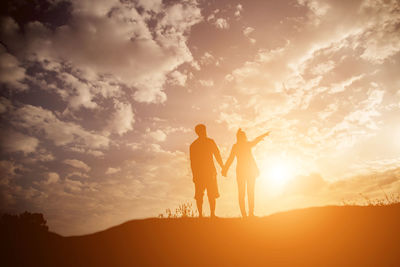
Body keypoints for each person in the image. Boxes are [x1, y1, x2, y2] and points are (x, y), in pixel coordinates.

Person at [222, 128, 270, 218]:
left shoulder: (237, 146)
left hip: (244, 171)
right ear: (242, 137)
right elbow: (255, 141)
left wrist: (225, 169)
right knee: (248, 192)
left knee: (243, 193)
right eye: (244, 136)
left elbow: (231, 158)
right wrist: (263, 135)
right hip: (247, 171)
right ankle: (249, 214)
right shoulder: (244, 145)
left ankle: (247, 214)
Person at [190, 124, 224, 218]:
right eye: (203, 130)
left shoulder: (201, 143)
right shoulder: (194, 145)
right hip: (203, 173)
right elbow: (192, 162)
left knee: (210, 193)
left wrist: (222, 166)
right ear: (199, 132)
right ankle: (202, 215)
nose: (205, 132)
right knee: (201, 195)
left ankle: (211, 214)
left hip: (209, 172)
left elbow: (217, 154)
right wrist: (194, 175)